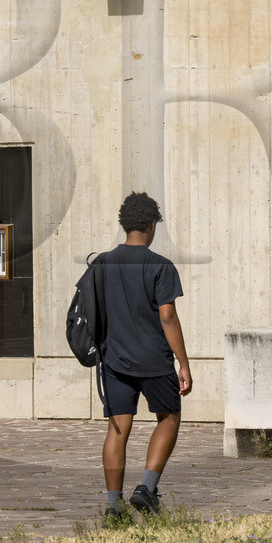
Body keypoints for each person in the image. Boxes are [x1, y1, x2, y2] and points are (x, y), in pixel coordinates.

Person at [88, 192, 192, 515]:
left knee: (117, 429)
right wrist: (184, 363)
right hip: (154, 359)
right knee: (169, 417)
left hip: (115, 359)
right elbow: (167, 317)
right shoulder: (160, 266)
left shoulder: (102, 263)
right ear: (151, 224)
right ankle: (146, 488)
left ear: (125, 224)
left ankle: (113, 506)